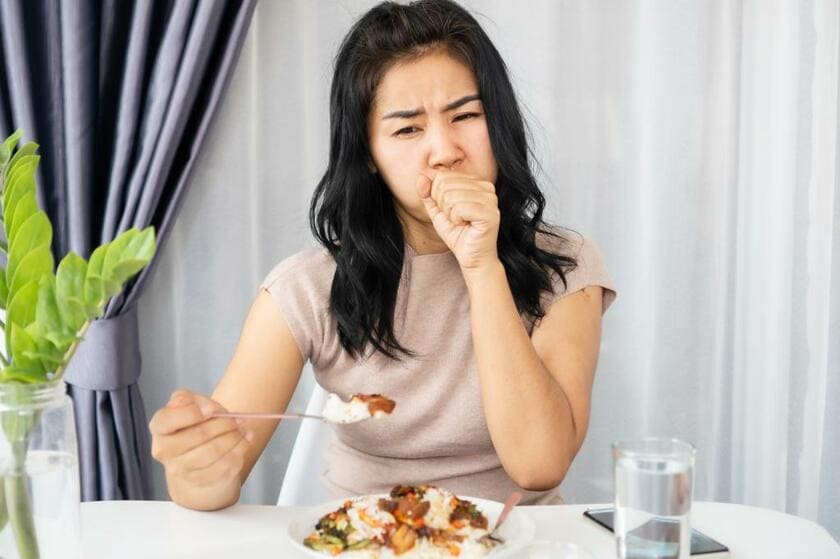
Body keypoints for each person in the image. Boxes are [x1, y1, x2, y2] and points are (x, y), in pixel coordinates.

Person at [149, 0, 616, 511]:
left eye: (465, 115)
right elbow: (220, 475)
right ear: (368, 156)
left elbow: (538, 466)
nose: (444, 150)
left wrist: (482, 266)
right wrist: (195, 468)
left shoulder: (565, 267)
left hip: (521, 543)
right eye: (407, 129)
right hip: (366, 542)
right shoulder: (306, 288)